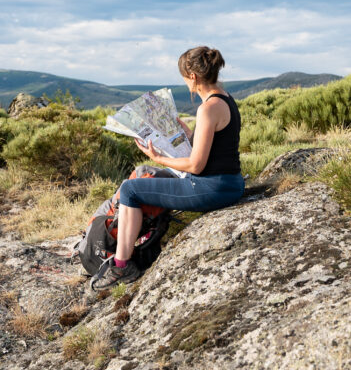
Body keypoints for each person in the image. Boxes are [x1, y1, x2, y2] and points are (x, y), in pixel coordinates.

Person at [90, 45, 245, 290]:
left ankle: (121, 266)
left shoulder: (208, 108)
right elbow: (216, 147)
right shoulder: (225, 99)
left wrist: (158, 157)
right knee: (145, 183)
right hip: (230, 183)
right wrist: (185, 133)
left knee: (130, 190)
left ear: (193, 77)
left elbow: (196, 164)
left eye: (185, 78)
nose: (186, 83)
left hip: (211, 188)